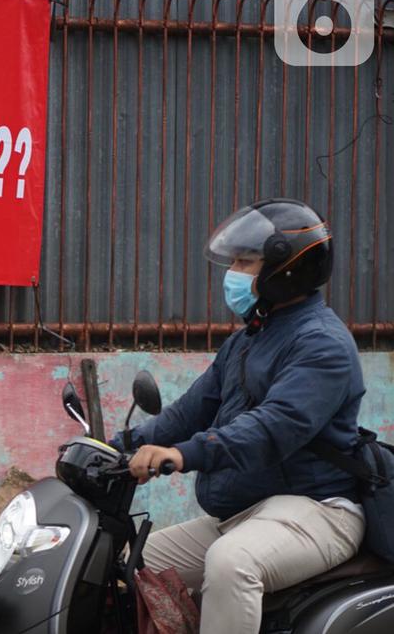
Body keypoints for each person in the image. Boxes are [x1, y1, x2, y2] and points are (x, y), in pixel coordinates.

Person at [111, 198, 365, 634]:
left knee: (233, 562)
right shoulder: (247, 340)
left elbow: (271, 428)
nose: (234, 273)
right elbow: (190, 411)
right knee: (126, 563)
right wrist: (114, 448)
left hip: (319, 511)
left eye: (246, 262)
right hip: (244, 513)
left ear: (286, 271)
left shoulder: (323, 345)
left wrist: (180, 455)